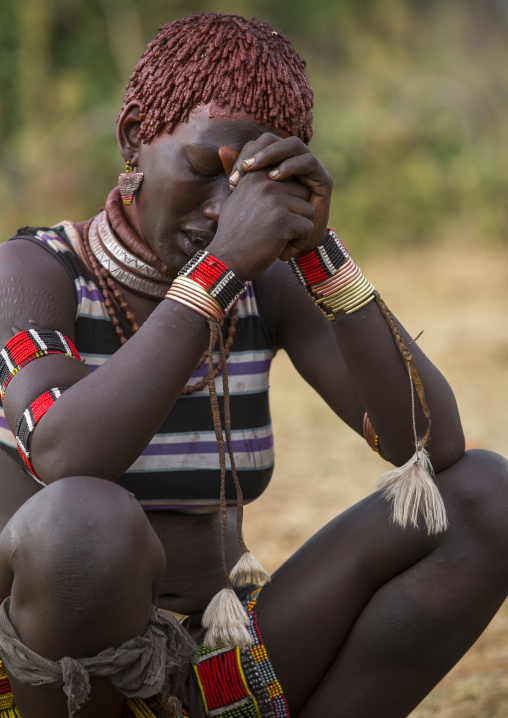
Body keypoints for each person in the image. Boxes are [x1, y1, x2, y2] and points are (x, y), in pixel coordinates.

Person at [0, 11, 506, 718]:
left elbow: (428, 444)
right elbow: (64, 454)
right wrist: (217, 272)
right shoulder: (33, 272)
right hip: (55, 685)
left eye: (254, 185)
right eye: (205, 170)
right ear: (134, 139)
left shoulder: (264, 284)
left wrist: (318, 253)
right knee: (86, 522)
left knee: (484, 495)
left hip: (222, 659)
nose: (223, 211)